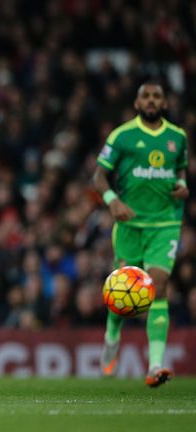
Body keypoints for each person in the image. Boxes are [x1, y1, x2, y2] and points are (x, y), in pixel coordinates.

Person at [93, 80, 189, 388]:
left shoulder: (178, 137)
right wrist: (112, 201)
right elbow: (99, 176)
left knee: (157, 286)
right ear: (137, 103)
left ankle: (155, 366)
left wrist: (183, 185)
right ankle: (112, 336)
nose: (150, 101)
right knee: (123, 290)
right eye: (145, 96)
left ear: (164, 103)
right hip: (130, 224)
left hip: (165, 224)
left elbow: (181, 171)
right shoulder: (122, 136)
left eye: (156, 96)